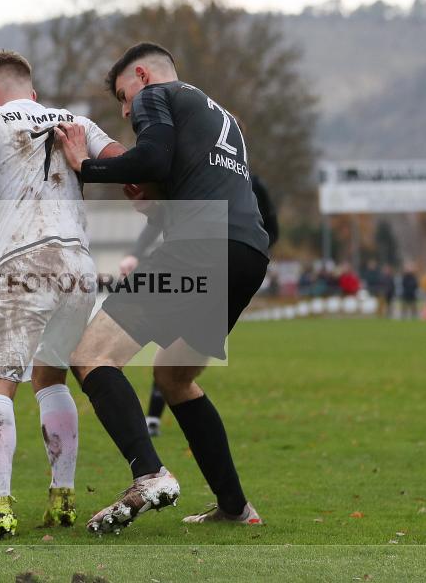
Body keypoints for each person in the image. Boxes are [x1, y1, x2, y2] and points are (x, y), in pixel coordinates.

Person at [55, 42, 269, 533]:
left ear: (143, 76)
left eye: (123, 97)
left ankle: (149, 474)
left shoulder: (158, 95)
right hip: (248, 254)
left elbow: (151, 159)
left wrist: (86, 165)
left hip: (202, 245)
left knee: (90, 355)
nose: (125, 111)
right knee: (174, 375)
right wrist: (157, 199)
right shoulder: (221, 117)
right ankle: (235, 507)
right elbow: (185, 177)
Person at [0, 50, 123, 538]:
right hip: (80, 268)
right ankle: (62, 496)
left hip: (27, 261)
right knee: (49, 377)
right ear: (32, 94)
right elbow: (125, 163)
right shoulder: (75, 121)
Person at [127, 177, 279, 437]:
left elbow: (272, 229)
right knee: (173, 349)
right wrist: (136, 252)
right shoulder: (201, 176)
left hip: (226, 271)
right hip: (194, 266)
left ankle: (158, 414)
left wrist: (253, 247)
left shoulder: (251, 185)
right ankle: (154, 416)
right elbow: (165, 214)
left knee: (177, 358)